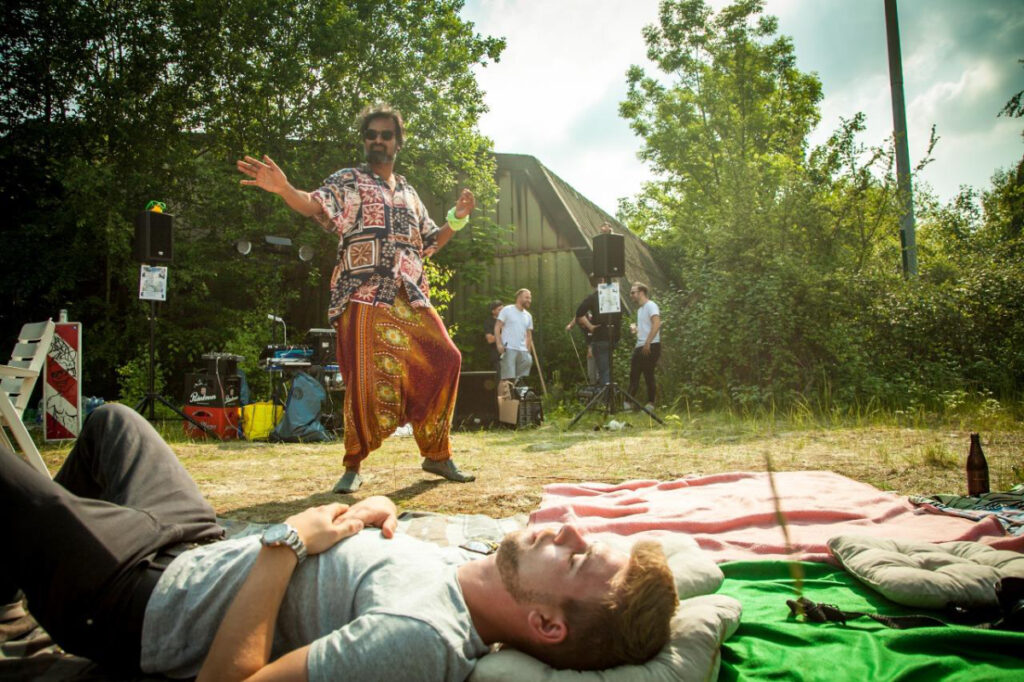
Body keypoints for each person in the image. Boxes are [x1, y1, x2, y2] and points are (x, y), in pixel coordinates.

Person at [1, 404, 679, 680]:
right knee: (113, 424)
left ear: (544, 624)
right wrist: (381, 509)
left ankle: (41, 596)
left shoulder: (421, 636)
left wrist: (288, 543)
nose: (568, 526)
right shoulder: (476, 565)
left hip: (135, 602)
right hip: (196, 544)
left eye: (580, 556)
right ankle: (17, 577)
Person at [237, 104, 474, 493]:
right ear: (365, 141)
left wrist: (459, 218)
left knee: (447, 357)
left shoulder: (411, 193)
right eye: (371, 135)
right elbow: (314, 203)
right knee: (363, 381)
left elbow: (431, 241)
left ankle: (436, 454)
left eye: (385, 135)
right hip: (363, 292)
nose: (377, 140)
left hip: (409, 292)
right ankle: (353, 464)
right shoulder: (349, 180)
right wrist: (283, 189)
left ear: (398, 142)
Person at [575, 277, 622, 386]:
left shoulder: (594, 297)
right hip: (613, 337)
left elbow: (579, 313)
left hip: (600, 337)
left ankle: (605, 400)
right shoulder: (614, 296)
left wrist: (590, 326)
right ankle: (610, 398)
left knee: (604, 372)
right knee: (609, 371)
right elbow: (619, 317)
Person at [628, 282, 662, 410]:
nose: (631, 295)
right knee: (634, 374)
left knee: (648, 374)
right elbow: (646, 328)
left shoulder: (651, 305)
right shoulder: (640, 310)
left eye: (633, 292)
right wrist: (636, 330)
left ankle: (651, 404)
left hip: (651, 345)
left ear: (641, 293)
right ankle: (628, 403)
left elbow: (657, 324)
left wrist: (648, 342)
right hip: (640, 345)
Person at [494, 288, 534, 383]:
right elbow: (497, 327)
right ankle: (507, 398)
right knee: (508, 379)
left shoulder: (528, 316)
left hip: (523, 351)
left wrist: (528, 352)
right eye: (527, 297)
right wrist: (499, 344)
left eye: (530, 298)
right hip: (509, 349)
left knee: (520, 380)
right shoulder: (507, 310)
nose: (529, 300)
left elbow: (529, 335)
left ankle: (517, 397)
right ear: (519, 298)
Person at [485, 300, 504, 373]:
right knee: (501, 379)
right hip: (497, 356)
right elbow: (490, 339)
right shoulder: (489, 322)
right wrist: (504, 335)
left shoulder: (508, 321)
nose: (502, 311)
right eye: (499, 310)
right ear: (493, 311)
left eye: (503, 309)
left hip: (510, 355)